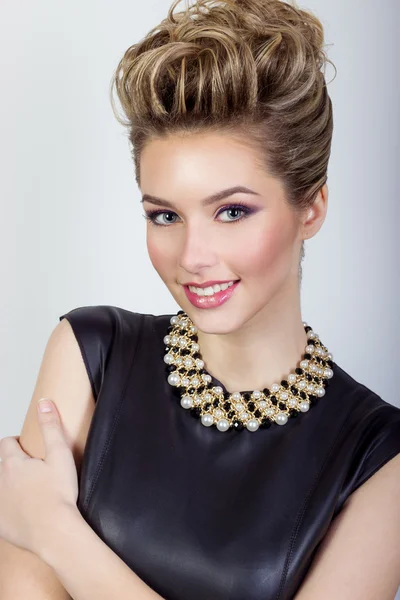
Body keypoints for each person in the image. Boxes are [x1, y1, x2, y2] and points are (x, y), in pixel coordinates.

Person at [1, 0, 400, 598]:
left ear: (311, 207)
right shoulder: (91, 356)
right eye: (165, 215)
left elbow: (36, 538)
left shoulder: (378, 458)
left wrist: (56, 532)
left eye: (232, 211)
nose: (192, 255)